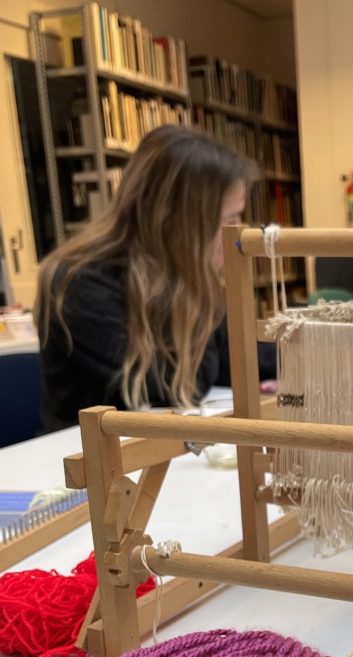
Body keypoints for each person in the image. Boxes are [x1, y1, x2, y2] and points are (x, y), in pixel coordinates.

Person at [36, 124, 276, 433]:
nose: (240, 232)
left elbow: (236, 362)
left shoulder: (182, 276)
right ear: (180, 224)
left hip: (155, 451)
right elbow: (177, 386)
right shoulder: (79, 286)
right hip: (89, 465)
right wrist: (202, 294)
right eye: (229, 220)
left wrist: (321, 349)